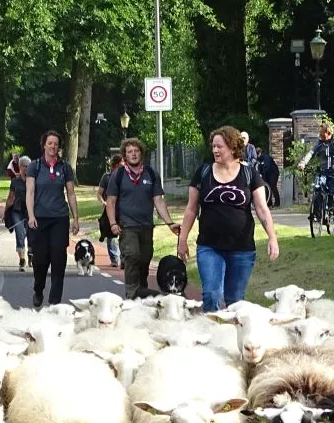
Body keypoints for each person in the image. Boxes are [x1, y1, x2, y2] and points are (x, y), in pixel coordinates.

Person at [177, 126, 280, 312]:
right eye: (213, 146)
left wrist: (272, 237)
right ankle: (213, 336)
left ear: (233, 148)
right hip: (210, 246)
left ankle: (232, 338)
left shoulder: (250, 174)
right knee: (212, 294)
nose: (215, 150)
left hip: (242, 248)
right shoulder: (203, 172)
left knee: (235, 300)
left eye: (220, 146)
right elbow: (191, 209)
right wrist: (182, 240)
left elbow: (262, 209)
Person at [106, 137, 180, 299]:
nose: (133, 154)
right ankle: (132, 293)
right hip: (127, 226)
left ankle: (142, 290)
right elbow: (110, 202)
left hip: (146, 226)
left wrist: (170, 223)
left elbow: (158, 200)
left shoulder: (151, 174)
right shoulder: (118, 175)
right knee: (132, 256)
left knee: (144, 259)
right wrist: (113, 223)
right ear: (125, 155)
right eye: (129, 152)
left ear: (141, 153)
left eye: (136, 151)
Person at [25, 131, 80, 308]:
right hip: (39, 218)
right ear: (44, 145)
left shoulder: (65, 167)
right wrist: (31, 215)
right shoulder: (35, 166)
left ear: (59, 147)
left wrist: (75, 218)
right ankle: (38, 289)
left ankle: (55, 301)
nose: (53, 146)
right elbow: (30, 192)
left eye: (56, 144)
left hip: (59, 218)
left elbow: (70, 193)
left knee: (58, 258)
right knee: (40, 259)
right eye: (50, 143)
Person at [297, 122, 334, 228]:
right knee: (317, 188)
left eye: (321, 132)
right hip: (324, 172)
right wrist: (303, 163)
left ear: (328, 132)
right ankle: (317, 214)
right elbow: (311, 152)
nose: (319, 134)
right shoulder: (320, 143)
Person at [3, 155, 32, 270]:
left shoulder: (34, 181)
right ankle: (22, 259)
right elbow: (10, 197)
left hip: (30, 212)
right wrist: (5, 212)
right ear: (20, 167)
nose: (26, 168)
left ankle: (31, 254)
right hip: (17, 211)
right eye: (24, 166)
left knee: (31, 235)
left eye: (28, 166)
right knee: (20, 233)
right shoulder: (15, 181)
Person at [96, 153, 124, 268]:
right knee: (111, 235)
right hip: (110, 209)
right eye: (122, 164)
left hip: (123, 210)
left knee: (124, 234)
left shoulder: (126, 176)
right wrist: (104, 202)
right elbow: (99, 193)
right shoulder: (106, 177)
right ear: (116, 164)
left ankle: (124, 259)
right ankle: (114, 259)